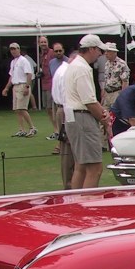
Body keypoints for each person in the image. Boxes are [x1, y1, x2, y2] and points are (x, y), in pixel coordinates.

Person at [63, 34, 108, 189]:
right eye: (99, 50)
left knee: (81, 166)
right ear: (91, 49)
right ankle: (87, 205)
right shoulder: (82, 68)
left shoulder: (74, 65)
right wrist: (104, 118)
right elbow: (88, 101)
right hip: (82, 118)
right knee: (95, 168)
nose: (100, 54)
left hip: (73, 117)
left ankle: (77, 204)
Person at [52, 49, 76, 188]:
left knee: (68, 150)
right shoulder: (66, 72)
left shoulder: (62, 69)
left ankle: (70, 182)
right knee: (68, 150)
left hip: (62, 109)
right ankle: (69, 185)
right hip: (66, 111)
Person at [2, 42, 36, 137]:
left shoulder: (23, 60)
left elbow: (29, 74)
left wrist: (27, 87)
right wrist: (7, 88)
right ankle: (21, 129)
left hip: (22, 84)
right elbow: (11, 76)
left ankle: (32, 128)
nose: (13, 51)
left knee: (22, 108)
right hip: (15, 86)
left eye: (15, 49)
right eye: (11, 49)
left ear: (19, 49)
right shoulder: (13, 62)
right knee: (17, 109)